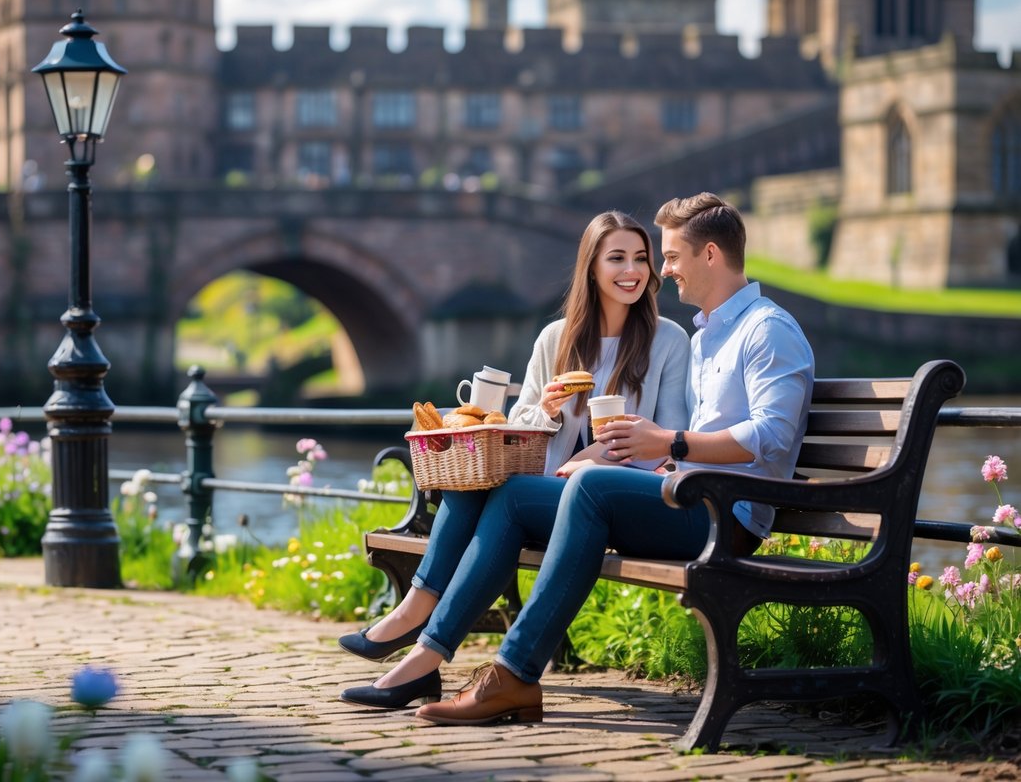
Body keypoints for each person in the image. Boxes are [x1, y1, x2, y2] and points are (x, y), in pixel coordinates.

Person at [341, 192, 815, 723]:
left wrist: (667, 444)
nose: (662, 270)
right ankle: (429, 655)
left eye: (670, 256)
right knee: (515, 493)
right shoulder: (709, 335)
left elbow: (770, 434)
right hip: (684, 495)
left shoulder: (764, 330)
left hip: (726, 514)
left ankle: (514, 672)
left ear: (709, 255)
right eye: (643, 257)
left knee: (590, 486)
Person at [337, 210, 691, 708]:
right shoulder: (557, 338)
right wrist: (544, 410)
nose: (631, 270)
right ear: (591, 267)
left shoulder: (668, 341)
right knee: (470, 485)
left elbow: (665, 443)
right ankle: (418, 627)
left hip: (607, 496)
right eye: (616, 258)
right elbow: (518, 429)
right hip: (549, 488)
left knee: (507, 494)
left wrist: (598, 456)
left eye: (640, 258)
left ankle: (418, 639)